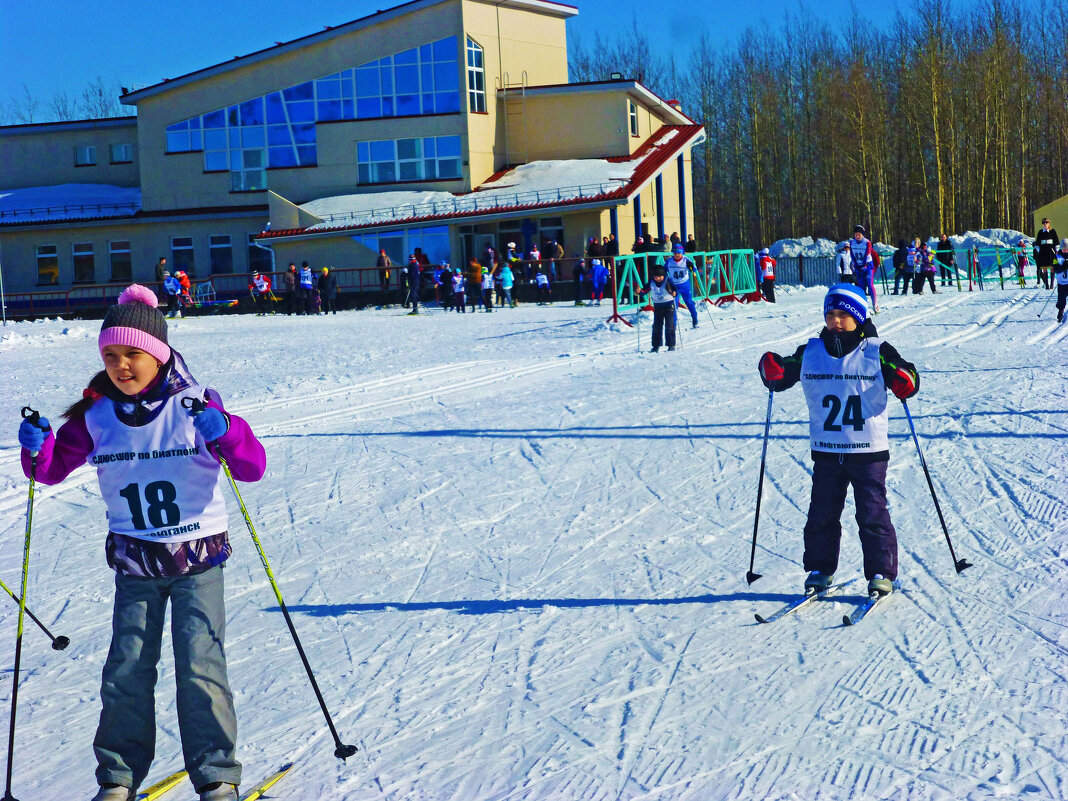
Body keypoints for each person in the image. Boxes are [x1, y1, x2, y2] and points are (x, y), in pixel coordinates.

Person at [16, 284, 266, 801]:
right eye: (111, 355)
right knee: (127, 669)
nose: (121, 365)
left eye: (132, 354)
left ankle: (216, 773)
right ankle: (118, 776)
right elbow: (51, 471)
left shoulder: (195, 405)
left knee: (200, 665)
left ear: (158, 354)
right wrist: (36, 450)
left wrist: (227, 430)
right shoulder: (96, 416)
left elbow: (252, 467)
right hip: (135, 564)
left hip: (197, 560)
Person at [757, 283, 919, 598]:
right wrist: (771, 370)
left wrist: (904, 380)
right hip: (828, 451)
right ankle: (820, 570)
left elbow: (908, 376)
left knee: (871, 513)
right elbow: (783, 373)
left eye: (844, 314)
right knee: (822, 513)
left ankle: (881, 572)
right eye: (830, 314)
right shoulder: (812, 352)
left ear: (858, 316)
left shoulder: (876, 350)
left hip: (867, 452)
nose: (836, 321)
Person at [636, 263, 678, 352]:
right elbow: (644, 291)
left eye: (660, 276)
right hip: (658, 306)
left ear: (663, 275)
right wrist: (639, 291)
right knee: (656, 326)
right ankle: (656, 346)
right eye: (655, 277)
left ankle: (671, 345)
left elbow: (676, 289)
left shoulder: (668, 280)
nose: (658, 279)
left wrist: (674, 292)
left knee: (669, 325)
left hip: (668, 305)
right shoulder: (651, 282)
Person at [665, 243, 700, 326]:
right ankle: (673, 325)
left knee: (688, 302)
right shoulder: (669, 261)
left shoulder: (685, 260)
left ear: (682, 253)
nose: (676, 255)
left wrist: (691, 267)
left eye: (678, 253)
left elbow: (694, 269)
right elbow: (664, 271)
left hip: (684, 285)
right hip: (674, 286)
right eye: (675, 253)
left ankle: (694, 317)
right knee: (674, 305)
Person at [848, 225, 879, 312]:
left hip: (868, 265)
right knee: (861, 286)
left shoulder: (867, 242)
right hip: (858, 266)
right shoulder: (852, 243)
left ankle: (875, 304)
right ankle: (863, 305)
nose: (857, 236)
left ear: (862, 235)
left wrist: (864, 265)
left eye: (859, 235)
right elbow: (852, 255)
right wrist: (855, 264)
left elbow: (867, 254)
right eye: (856, 234)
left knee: (870, 284)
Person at [1035, 217, 1060, 290]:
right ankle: (1047, 285)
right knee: (1044, 268)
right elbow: (1038, 243)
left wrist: (1056, 250)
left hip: (1051, 251)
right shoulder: (1040, 232)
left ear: (1049, 223)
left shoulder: (1052, 231)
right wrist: (1038, 250)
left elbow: (1056, 241)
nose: (1045, 224)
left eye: (1046, 222)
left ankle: (1052, 284)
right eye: (1044, 223)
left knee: (1052, 267)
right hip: (1043, 252)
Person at [1054, 239, 1068, 323]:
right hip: (1061, 283)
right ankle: (1060, 312)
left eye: (1067, 249)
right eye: (1064, 249)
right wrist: (1063, 267)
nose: (1065, 251)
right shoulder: (1056, 257)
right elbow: (1055, 268)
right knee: (1061, 299)